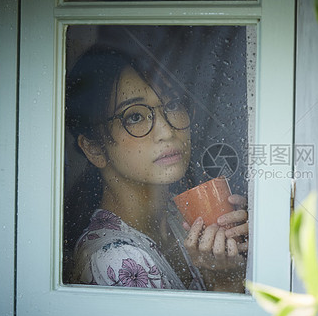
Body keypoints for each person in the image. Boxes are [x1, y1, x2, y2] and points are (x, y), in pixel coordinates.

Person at [64, 44, 249, 292]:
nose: (167, 131)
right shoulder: (116, 260)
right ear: (94, 148)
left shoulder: (177, 218)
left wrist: (243, 245)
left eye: (172, 105)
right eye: (135, 116)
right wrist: (227, 282)